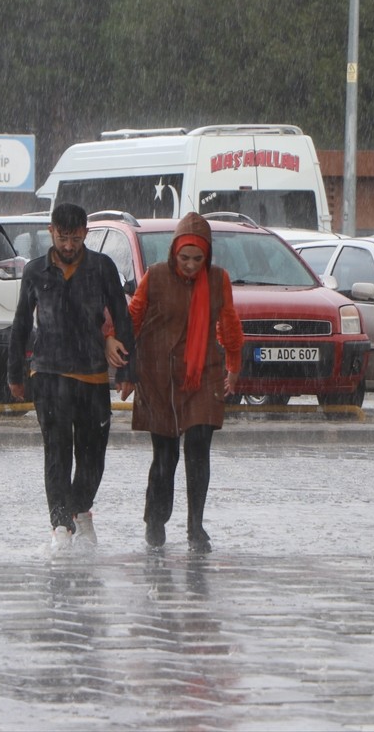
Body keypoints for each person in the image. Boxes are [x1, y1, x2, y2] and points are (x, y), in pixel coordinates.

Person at [8, 202, 135, 551]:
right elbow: (20, 324)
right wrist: (15, 373)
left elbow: (123, 318)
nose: (68, 246)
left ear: (85, 235)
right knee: (57, 452)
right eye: (62, 238)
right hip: (48, 374)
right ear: (51, 232)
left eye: (75, 238)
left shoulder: (102, 268)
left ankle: (81, 509)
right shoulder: (35, 272)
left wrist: (128, 369)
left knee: (93, 455)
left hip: (93, 375)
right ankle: (61, 523)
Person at [119, 213, 243, 552]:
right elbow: (133, 319)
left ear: (208, 257)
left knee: (198, 448)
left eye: (197, 259)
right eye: (184, 258)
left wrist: (233, 364)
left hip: (203, 373)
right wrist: (126, 369)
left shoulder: (218, 280)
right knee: (165, 455)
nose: (190, 265)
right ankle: (156, 521)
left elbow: (229, 324)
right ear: (174, 252)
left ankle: (196, 526)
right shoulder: (156, 276)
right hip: (158, 375)